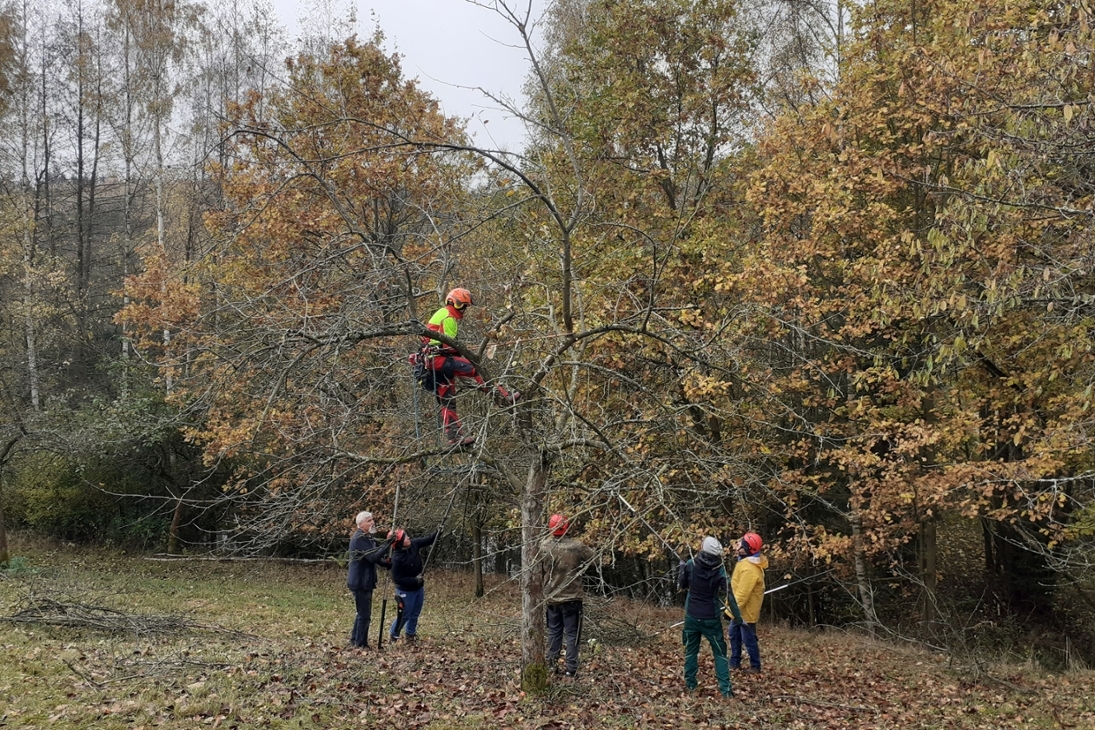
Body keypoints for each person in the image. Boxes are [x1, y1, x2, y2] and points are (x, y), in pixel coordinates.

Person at [414, 287, 520, 446]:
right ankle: (503, 396)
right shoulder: (448, 316)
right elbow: (449, 345)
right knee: (475, 368)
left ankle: (454, 437)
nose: (464, 310)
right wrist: (460, 350)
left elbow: (445, 344)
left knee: (448, 399)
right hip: (437, 360)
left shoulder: (443, 314)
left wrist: (457, 349)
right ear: (456, 304)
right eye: (463, 306)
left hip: (431, 362)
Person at [678, 536, 741, 698]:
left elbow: (682, 585)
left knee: (691, 651)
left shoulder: (691, 565)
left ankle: (691, 685)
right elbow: (730, 596)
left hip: (691, 615)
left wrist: (682, 569)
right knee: (719, 653)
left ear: (702, 549)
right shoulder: (720, 571)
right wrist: (739, 619)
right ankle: (726, 691)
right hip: (711, 618)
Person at [540, 513, 594, 678]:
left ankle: (552, 665)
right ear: (567, 527)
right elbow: (594, 558)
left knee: (554, 632)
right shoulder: (576, 547)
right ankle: (571, 669)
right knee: (572, 634)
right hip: (572, 599)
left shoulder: (543, 546)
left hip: (552, 599)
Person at [346, 511, 392, 649]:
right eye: (369, 521)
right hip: (360, 581)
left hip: (366, 581)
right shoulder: (359, 539)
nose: (372, 522)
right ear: (361, 524)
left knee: (362, 613)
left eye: (372, 520)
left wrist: (388, 563)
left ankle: (355, 640)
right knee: (364, 614)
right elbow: (372, 557)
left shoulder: (368, 538)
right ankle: (361, 644)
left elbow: (377, 557)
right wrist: (388, 543)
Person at [387, 527, 438, 643]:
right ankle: (393, 633)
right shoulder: (397, 559)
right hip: (405, 591)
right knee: (405, 614)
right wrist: (414, 581)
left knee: (415, 613)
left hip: (418, 589)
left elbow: (429, 540)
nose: (408, 537)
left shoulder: (413, 544)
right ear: (399, 543)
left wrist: (438, 531)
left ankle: (410, 634)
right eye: (405, 537)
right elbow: (398, 579)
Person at [728, 531, 768, 674]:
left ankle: (755, 666)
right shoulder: (745, 563)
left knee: (748, 638)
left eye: (740, 543)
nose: (737, 544)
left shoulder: (749, 569)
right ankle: (734, 662)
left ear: (746, 549)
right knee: (733, 634)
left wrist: (729, 611)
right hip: (739, 610)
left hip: (745, 612)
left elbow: (742, 595)